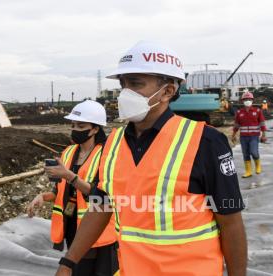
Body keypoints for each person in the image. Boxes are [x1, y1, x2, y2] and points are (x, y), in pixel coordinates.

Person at [55, 41, 247, 276]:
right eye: (123, 84)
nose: (125, 92)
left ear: (167, 91)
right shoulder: (112, 144)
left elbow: (230, 221)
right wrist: (68, 263)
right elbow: (101, 205)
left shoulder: (205, 141)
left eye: (135, 83)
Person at [28, 100, 119, 276]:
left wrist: (70, 176)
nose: (76, 129)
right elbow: (60, 191)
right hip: (72, 228)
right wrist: (43, 197)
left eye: (81, 125)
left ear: (95, 129)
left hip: (97, 231)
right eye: (73, 125)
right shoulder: (69, 152)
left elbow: (102, 197)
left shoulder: (107, 156)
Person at [232, 92, 267, 178]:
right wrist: (233, 135)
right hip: (243, 137)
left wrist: (264, 135)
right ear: (242, 101)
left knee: (254, 152)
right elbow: (236, 125)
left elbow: (262, 123)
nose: (247, 101)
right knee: (246, 154)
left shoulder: (257, 111)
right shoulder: (239, 112)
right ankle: (248, 171)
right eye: (245, 99)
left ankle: (258, 165)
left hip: (254, 136)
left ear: (252, 100)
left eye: (249, 99)